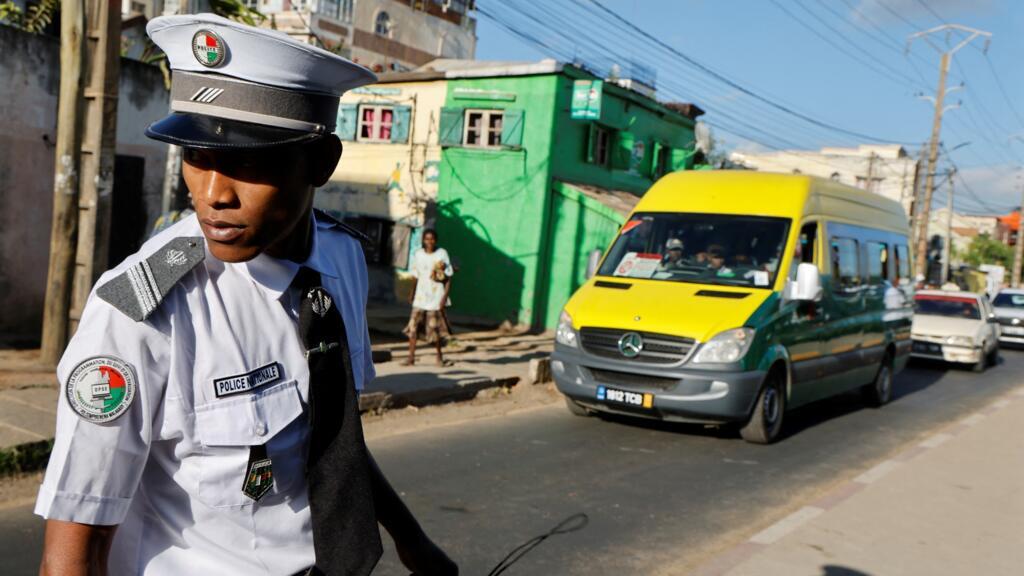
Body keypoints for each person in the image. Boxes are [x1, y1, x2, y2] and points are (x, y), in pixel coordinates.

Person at [35, 14, 456, 576]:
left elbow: (332, 441)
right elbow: (73, 546)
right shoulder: (142, 312)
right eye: (196, 158)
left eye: (248, 162)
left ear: (321, 163)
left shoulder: (341, 261)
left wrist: (412, 540)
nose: (213, 195)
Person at [404, 229, 453, 366]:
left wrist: (444, 297)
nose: (429, 242)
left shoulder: (442, 254)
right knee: (413, 328)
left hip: (435, 297)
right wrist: (412, 292)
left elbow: (449, 278)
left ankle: (439, 357)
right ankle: (411, 357)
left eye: (432, 239)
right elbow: (416, 275)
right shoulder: (418, 254)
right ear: (423, 240)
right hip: (420, 297)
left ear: (435, 240)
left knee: (434, 329)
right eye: (427, 239)